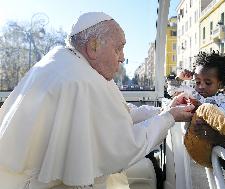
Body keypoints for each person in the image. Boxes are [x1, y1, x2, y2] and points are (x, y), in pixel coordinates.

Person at [0, 12, 194, 189]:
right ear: (93, 46)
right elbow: (122, 145)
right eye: (118, 48)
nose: (122, 57)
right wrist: (169, 118)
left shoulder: (68, 62)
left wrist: (167, 109)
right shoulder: (80, 80)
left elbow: (120, 114)